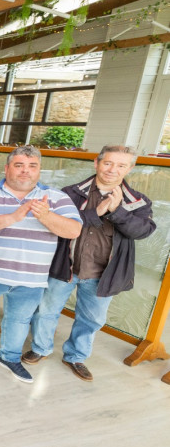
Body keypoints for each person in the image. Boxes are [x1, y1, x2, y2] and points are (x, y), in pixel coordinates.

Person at [0, 146, 83, 383]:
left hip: (31, 277)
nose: (25, 172)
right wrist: (14, 217)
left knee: (19, 320)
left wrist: (46, 216)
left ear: (39, 170)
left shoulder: (56, 197)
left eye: (32, 166)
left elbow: (73, 230)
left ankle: (9, 357)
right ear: (7, 168)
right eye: (19, 165)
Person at [25, 146, 156, 381]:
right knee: (46, 311)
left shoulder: (137, 202)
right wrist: (97, 211)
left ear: (130, 168)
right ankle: (40, 348)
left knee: (92, 319)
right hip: (65, 267)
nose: (112, 170)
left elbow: (142, 232)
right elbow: (62, 224)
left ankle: (75, 356)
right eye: (108, 163)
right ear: (96, 163)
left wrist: (117, 211)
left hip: (104, 273)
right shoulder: (70, 193)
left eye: (121, 165)